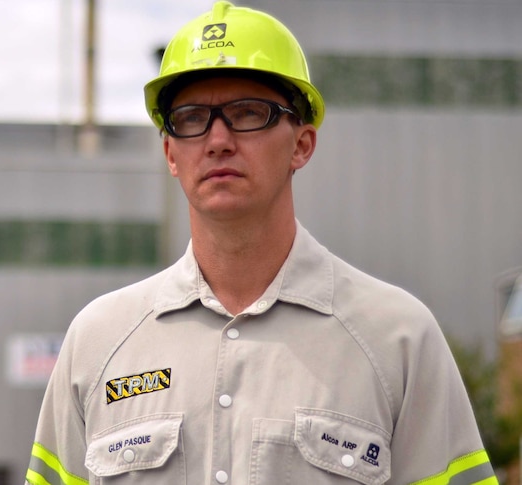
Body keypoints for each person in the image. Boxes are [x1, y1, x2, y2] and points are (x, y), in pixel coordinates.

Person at [26, 2, 496, 484]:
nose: (218, 139)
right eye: (191, 118)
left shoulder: (398, 339)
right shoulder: (97, 342)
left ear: (302, 145)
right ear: (171, 152)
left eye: (248, 113)